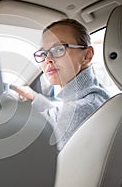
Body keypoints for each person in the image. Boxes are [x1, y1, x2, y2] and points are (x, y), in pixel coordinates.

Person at [16, 19, 110, 151]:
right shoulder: (94, 98)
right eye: (43, 53)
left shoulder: (82, 109)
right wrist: (34, 98)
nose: (48, 59)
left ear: (87, 56)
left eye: (59, 49)